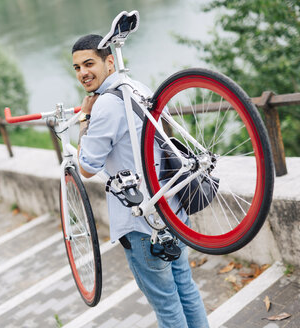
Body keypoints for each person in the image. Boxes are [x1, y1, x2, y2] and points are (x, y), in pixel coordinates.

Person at [73, 34, 209, 328]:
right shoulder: (138, 87)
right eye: (76, 68)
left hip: (141, 224)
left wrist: (85, 117)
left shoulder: (104, 107)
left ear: (110, 61)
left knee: (167, 304)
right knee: (185, 289)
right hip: (171, 210)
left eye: (89, 63)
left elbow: (86, 166)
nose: (83, 72)